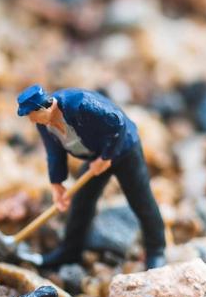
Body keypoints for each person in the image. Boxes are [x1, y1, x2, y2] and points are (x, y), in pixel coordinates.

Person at [16, 83, 167, 270]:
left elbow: (117, 122)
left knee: (140, 200)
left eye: (32, 115)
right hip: (95, 156)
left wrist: (107, 157)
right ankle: (70, 252)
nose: (31, 120)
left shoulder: (80, 104)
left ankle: (156, 250)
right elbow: (54, 153)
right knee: (82, 202)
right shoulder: (44, 124)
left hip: (124, 150)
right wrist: (57, 184)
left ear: (45, 107)